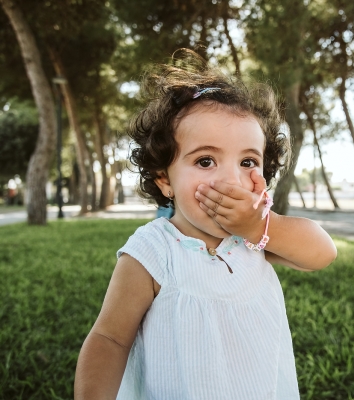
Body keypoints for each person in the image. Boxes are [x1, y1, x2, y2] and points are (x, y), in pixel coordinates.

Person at [74, 50, 337, 400]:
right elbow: (110, 338)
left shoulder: (253, 240)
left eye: (247, 161)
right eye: (206, 160)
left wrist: (259, 226)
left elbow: (322, 253)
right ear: (164, 179)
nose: (230, 179)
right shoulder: (153, 252)